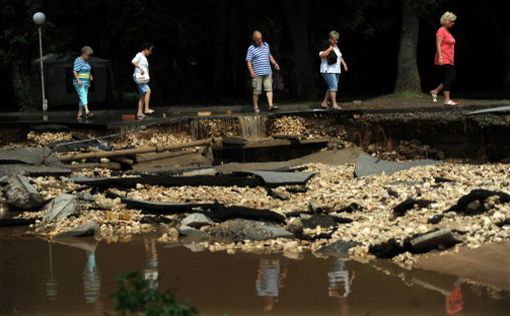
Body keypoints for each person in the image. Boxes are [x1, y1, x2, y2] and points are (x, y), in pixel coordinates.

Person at [246, 31, 280, 113]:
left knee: (269, 89)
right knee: (257, 91)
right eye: (258, 39)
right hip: (257, 73)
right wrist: (251, 71)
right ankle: (256, 107)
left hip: (267, 71)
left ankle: (270, 105)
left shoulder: (266, 45)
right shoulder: (251, 48)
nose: (260, 40)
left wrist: (275, 63)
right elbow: (248, 61)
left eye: (261, 38)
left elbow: (269, 55)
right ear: (254, 39)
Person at [430, 12, 458, 106]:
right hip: (443, 57)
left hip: (450, 59)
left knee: (451, 77)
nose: (453, 23)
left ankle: (435, 91)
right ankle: (447, 100)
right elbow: (438, 44)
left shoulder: (447, 31)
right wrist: (440, 57)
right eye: (451, 21)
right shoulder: (441, 30)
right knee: (448, 77)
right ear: (446, 21)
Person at [319, 31, 348, 110]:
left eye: (337, 40)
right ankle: (334, 105)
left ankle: (324, 103)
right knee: (333, 86)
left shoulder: (335, 46)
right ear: (330, 38)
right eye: (335, 40)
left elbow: (339, 56)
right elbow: (321, 55)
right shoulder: (324, 44)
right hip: (327, 70)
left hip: (336, 70)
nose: (336, 41)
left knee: (331, 86)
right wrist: (329, 49)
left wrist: (344, 64)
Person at [132, 42, 155, 119]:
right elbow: (133, 61)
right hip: (139, 78)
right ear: (145, 49)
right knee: (148, 91)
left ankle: (139, 113)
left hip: (142, 79)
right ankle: (146, 109)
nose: (150, 52)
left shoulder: (144, 58)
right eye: (150, 50)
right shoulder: (139, 55)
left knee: (142, 95)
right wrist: (141, 69)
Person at [73, 46, 94, 120]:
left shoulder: (86, 61)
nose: (89, 57)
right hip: (79, 82)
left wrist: (89, 78)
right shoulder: (78, 60)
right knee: (83, 95)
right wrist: (78, 80)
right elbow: (75, 71)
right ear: (83, 54)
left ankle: (80, 113)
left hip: (85, 82)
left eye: (89, 55)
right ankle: (87, 111)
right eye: (88, 55)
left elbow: (87, 70)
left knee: (84, 97)